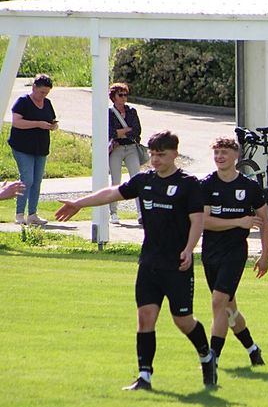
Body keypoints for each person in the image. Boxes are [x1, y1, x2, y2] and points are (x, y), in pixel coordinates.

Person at [55, 130, 217, 390]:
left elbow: (197, 221)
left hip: (177, 264)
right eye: (152, 154)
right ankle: (144, 377)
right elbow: (112, 193)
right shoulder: (144, 180)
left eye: (161, 155)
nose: (156, 160)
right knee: (145, 318)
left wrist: (189, 249)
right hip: (149, 263)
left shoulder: (189, 184)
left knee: (183, 320)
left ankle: (206, 357)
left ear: (175, 154)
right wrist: (79, 203)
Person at [200, 137, 268, 366]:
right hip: (210, 252)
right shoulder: (207, 184)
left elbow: (265, 221)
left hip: (235, 253)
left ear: (236, 156)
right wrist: (239, 221)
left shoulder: (249, 187)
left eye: (224, 152)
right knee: (229, 310)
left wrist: (265, 255)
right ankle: (253, 349)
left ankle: (213, 359)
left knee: (218, 302)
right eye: (216, 152)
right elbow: (204, 221)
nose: (219, 157)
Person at [9, 73, 56, 226]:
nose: (43, 95)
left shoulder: (47, 103)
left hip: (40, 147)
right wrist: (38, 124)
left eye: (46, 93)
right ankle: (19, 214)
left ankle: (33, 214)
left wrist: (53, 126)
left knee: (37, 181)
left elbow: (51, 119)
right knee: (27, 179)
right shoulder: (23, 101)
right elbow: (17, 122)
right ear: (34, 87)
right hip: (22, 146)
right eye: (42, 92)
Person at [106, 82, 144, 225]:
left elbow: (136, 131)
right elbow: (110, 132)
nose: (123, 98)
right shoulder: (109, 113)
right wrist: (124, 131)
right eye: (120, 95)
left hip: (131, 148)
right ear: (113, 97)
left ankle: (140, 212)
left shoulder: (131, 111)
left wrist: (121, 132)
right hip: (116, 149)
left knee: (137, 178)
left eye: (125, 95)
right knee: (116, 180)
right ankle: (113, 212)